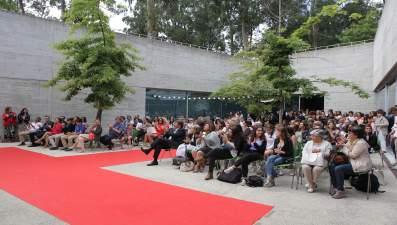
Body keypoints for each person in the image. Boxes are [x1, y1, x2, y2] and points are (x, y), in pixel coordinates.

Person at [329, 126, 372, 199]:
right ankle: (336, 186)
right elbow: (347, 146)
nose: (348, 134)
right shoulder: (352, 140)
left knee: (339, 169)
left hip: (360, 164)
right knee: (332, 165)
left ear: (356, 135)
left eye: (350, 133)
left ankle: (340, 191)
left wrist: (343, 148)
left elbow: (353, 155)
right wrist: (341, 144)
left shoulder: (361, 143)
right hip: (352, 162)